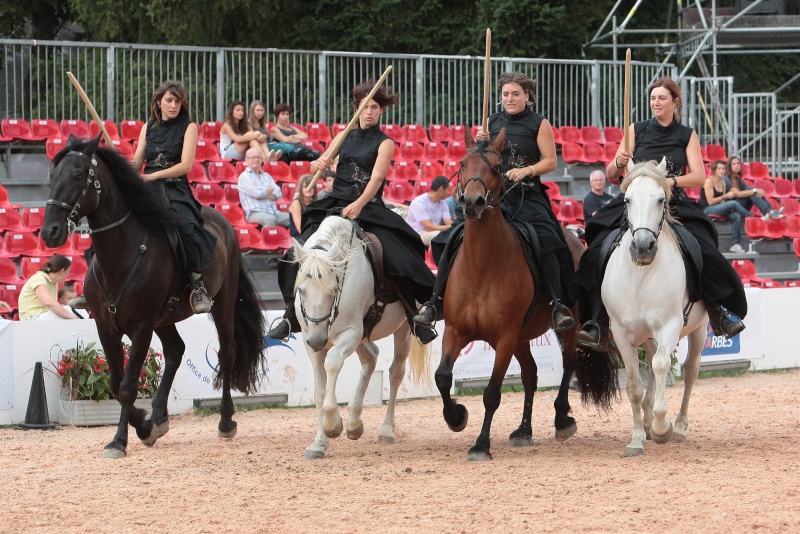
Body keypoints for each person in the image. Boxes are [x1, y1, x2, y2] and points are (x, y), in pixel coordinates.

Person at [574, 76, 747, 350]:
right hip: (635, 204)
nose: (656, 102)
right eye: (653, 98)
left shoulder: (686, 134)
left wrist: (670, 182)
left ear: (675, 102)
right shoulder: (636, 130)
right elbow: (611, 174)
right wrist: (617, 162)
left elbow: (700, 176)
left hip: (675, 203)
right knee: (597, 248)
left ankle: (717, 310)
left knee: (703, 247)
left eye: (662, 98)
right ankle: (595, 320)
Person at [266, 80, 437, 344]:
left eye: (374, 107)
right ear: (356, 109)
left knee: (398, 254)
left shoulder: (385, 142)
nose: (369, 112)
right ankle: (290, 316)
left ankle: (414, 316)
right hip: (334, 202)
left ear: (381, 111)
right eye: (364, 107)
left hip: (368, 206)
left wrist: (359, 204)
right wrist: (318, 164)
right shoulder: (343, 136)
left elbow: (377, 179)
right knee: (297, 253)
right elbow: (315, 170)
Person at [414, 71, 576, 333]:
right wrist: (479, 144)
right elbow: (481, 161)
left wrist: (526, 171)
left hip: (526, 194)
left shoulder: (539, 123)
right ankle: (436, 302)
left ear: (527, 96)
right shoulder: (491, 122)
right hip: (490, 197)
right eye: (505, 94)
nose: (509, 99)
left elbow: (550, 161)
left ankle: (557, 306)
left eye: (515, 94)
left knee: (547, 240)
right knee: (449, 237)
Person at [132, 79, 217, 313]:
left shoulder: (189, 127)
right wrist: (122, 168)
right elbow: (137, 162)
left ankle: (197, 283)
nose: (173, 105)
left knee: (185, 225)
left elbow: (186, 166)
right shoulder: (147, 127)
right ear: (158, 102)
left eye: (177, 101)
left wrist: (153, 176)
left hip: (174, 188)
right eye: (168, 100)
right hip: (147, 188)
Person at [700, 160, 754, 253]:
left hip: (719, 208)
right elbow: (710, 201)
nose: (722, 171)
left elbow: (723, 202)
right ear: (714, 170)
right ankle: (753, 219)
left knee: (736, 215)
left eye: (723, 169)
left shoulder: (723, 183)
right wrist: (726, 196)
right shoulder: (708, 181)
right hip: (708, 209)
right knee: (733, 203)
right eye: (719, 169)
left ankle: (735, 244)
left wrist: (727, 206)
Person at [237, 147, 291, 228]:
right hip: (254, 213)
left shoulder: (266, 176)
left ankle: (297, 240)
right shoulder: (244, 177)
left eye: (258, 157)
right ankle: (271, 241)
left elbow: (278, 193)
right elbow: (258, 193)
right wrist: (269, 191)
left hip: (273, 211)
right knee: (271, 219)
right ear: (246, 160)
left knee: (294, 218)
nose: (256, 159)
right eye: (253, 157)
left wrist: (264, 193)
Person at [18, 255, 77, 320]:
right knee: (70, 313)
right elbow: (48, 302)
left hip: (43, 315)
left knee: (79, 309)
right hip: (31, 318)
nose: (68, 274)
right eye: (68, 271)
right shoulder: (39, 278)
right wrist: (71, 317)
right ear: (62, 271)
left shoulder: (54, 283)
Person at [726, 156, 784, 222]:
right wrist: (755, 190)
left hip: (740, 206)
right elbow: (737, 194)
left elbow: (749, 189)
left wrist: (758, 190)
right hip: (731, 209)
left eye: (738, 163)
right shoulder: (726, 179)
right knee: (752, 192)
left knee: (753, 190)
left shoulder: (739, 180)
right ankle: (770, 212)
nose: (736, 165)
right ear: (729, 166)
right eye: (733, 164)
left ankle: (771, 211)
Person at [405, 175, 453, 246]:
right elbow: (428, 227)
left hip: (433, 231)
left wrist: (452, 228)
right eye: (448, 190)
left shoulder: (443, 204)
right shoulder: (419, 202)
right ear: (441, 189)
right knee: (440, 236)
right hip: (417, 233)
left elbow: (449, 223)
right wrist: (449, 228)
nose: (449, 193)